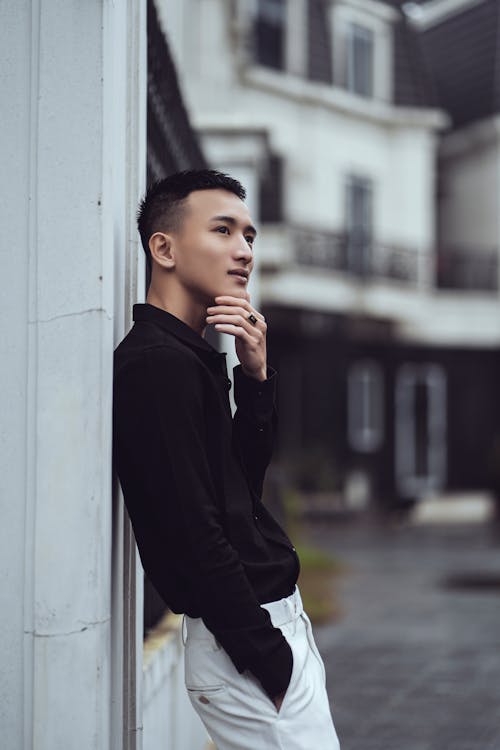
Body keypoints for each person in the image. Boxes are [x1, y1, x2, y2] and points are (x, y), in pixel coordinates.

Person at [113, 169, 340, 749]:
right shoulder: (155, 364)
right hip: (247, 642)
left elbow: (239, 487)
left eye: (250, 235)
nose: (244, 251)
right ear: (162, 247)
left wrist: (256, 377)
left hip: (272, 630)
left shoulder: (191, 357)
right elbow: (196, 529)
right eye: (223, 230)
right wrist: (264, 655)